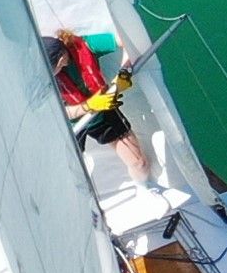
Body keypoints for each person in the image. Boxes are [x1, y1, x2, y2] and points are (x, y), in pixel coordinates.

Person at [43, 30, 156, 188]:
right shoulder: (40, 76)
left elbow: (128, 40)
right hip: (69, 125)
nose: (47, 73)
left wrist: (125, 73)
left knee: (139, 164)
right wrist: (89, 106)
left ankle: (144, 188)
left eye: (50, 68)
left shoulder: (86, 44)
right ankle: (86, 208)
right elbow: (52, 113)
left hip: (103, 111)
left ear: (61, 59)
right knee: (69, 179)